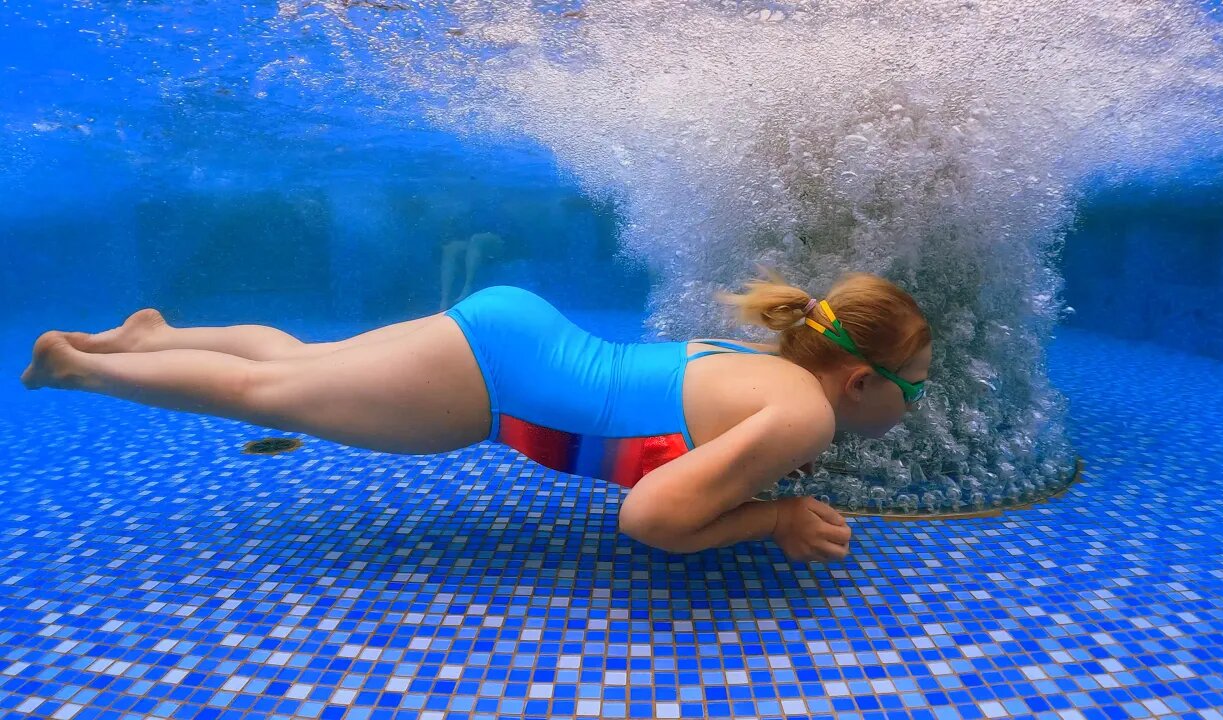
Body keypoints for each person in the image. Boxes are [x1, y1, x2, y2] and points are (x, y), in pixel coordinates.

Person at [20, 269, 932, 563]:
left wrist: (770, 479)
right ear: (857, 382)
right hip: (486, 386)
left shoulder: (769, 370)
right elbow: (648, 517)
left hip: (512, 329)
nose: (922, 402)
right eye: (919, 384)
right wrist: (772, 518)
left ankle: (149, 336)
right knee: (270, 394)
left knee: (301, 361)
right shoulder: (803, 419)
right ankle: (81, 369)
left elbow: (677, 423)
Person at [438, 231, 506, 311]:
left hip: (501, 238)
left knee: (476, 239)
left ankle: (468, 286)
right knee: (451, 248)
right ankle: (444, 299)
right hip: (474, 237)